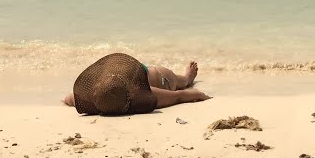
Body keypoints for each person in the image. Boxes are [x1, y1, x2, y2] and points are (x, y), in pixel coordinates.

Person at [62, 53, 211, 115]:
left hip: (127, 76)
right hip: (160, 79)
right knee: (178, 81)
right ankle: (187, 78)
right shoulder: (144, 95)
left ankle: (185, 79)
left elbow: (69, 98)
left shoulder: (101, 97)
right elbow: (178, 96)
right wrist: (199, 94)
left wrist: (66, 100)